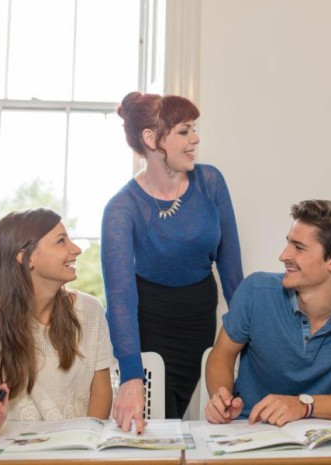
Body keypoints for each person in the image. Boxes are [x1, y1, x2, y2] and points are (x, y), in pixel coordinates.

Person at [103, 92, 243, 431]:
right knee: (153, 425)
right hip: (150, 323)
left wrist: (248, 339)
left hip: (199, 320)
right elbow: (120, 297)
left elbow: (231, 270)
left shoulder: (210, 182)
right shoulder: (122, 208)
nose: (195, 139)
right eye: (183, 131)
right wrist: (131, 375)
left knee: (181, 417)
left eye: (194, 129)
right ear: (151, 138)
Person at [205, 200, 331, 426]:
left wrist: (304, 406)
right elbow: (221, 356)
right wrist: (223, 399)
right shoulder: (255, 290)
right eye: (288, 243)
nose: (284, 255)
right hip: (250, 428)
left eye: (299, 247)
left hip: (324, 434)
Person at [0, 208, 115, 440]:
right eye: (61, 241)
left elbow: (101, 392)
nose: (76, 249)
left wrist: (86, 442)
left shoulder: (91, 310)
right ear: (26, 257)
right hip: (11, 448)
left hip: (78, 447)